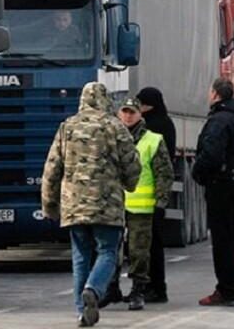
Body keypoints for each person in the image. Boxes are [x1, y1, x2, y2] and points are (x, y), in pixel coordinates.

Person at [41, 82, 141, 327]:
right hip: (108, 205)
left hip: (74, 205)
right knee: (107, 251)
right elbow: (132, 165)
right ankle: (94, 290)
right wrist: (129, 184)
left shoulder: (67, 127)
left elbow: (52, 169)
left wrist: (49, 205)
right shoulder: (116, 128)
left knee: (80, 256)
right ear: (106, 101)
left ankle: (81, 310)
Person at [193, 78, 234, 307]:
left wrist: (198, 171)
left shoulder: (219, 120)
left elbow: (212, 154)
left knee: (222, 239)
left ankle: (226, 290)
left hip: (221, 184)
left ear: (216, 94)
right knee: (233, 236)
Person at [115, 98, 174, 311]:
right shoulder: (111, 138)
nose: (128, 116)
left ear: (140, 115)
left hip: (142, 207)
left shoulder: (153, 140)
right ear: (119, 114)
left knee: (139, 251)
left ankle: (139, 289)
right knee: (112, 250)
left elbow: (164, 173)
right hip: (114, 206)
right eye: (125, 111)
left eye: (132, 112)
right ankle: (112, 288)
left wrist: (161, 201)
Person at [138, 87, 175, 303]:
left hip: (148, 194)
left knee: (149, 245)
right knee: (153, 244)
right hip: (156, 193)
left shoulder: (151, 127)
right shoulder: (166, 123)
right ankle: (156, 286)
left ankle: (154, 287)